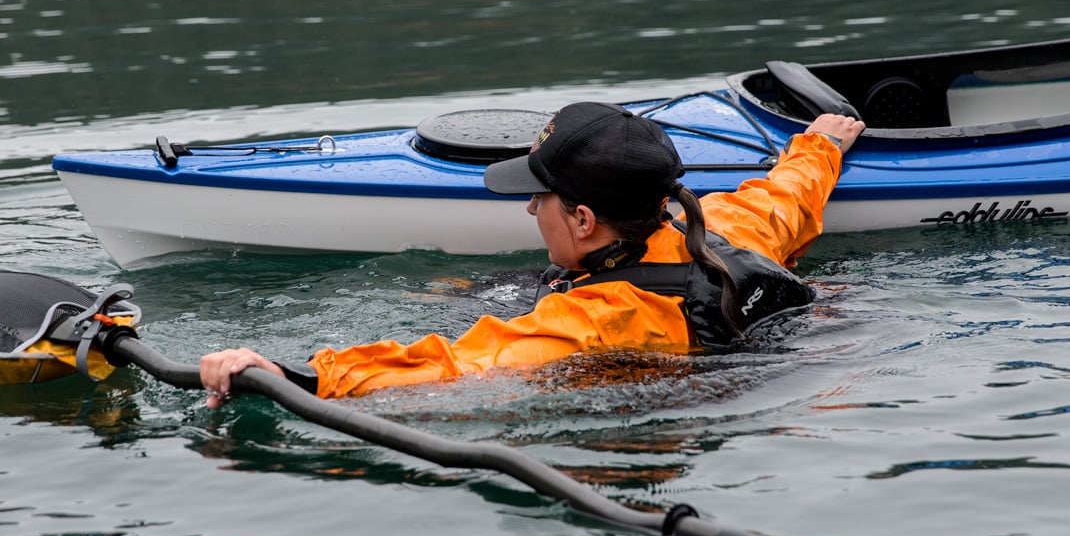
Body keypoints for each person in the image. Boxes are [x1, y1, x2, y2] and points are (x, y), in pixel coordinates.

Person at [201, 102, 864, 406]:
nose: (528, 208)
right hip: (823, 329)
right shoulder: (719, 223)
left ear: (581, 218)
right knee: (486, 286)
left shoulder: (602, 318)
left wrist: (301, 374)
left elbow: (460, 366)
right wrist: (821, 143)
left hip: (706, 383)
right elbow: (788, 196)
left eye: (538, 197)